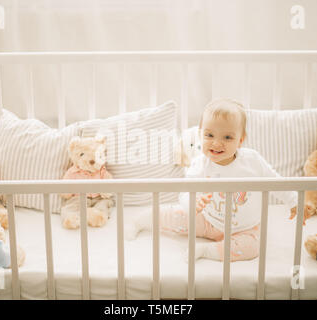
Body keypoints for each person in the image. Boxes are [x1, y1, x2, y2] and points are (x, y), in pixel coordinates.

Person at [126, 98, 298, 261]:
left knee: (253, 247)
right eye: (209, 135)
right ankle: (141, 220)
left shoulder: (252, 162)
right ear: (200, 134)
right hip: (208, 220)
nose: (216, 143)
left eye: (227, 137)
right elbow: (185, 193)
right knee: (175, 215)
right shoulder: (200, 165)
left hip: (245, 228)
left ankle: (207, 251)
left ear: (240, 140)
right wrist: (193, 203)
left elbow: (275, 181)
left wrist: (294, 201)